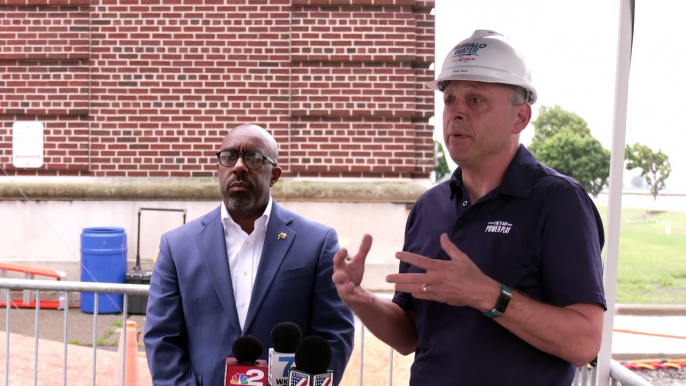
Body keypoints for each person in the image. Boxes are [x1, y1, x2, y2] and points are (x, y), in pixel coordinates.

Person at [333, 30, 606, 385]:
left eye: (476, 100)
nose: (456, 112)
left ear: (520, 118)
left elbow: (584, 342)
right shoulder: (429, 207)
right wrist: (361, 301)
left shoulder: (559, 202)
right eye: (449, 100)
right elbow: (411, 335)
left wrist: (489, 295)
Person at [144, 124, 354, 386]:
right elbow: (161, 339)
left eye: (253, 158)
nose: (239, 166)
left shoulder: (317, 243)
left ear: (274, 174)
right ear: (218, 169)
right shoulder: (177, 246)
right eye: (229, 157)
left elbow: (335, 335)